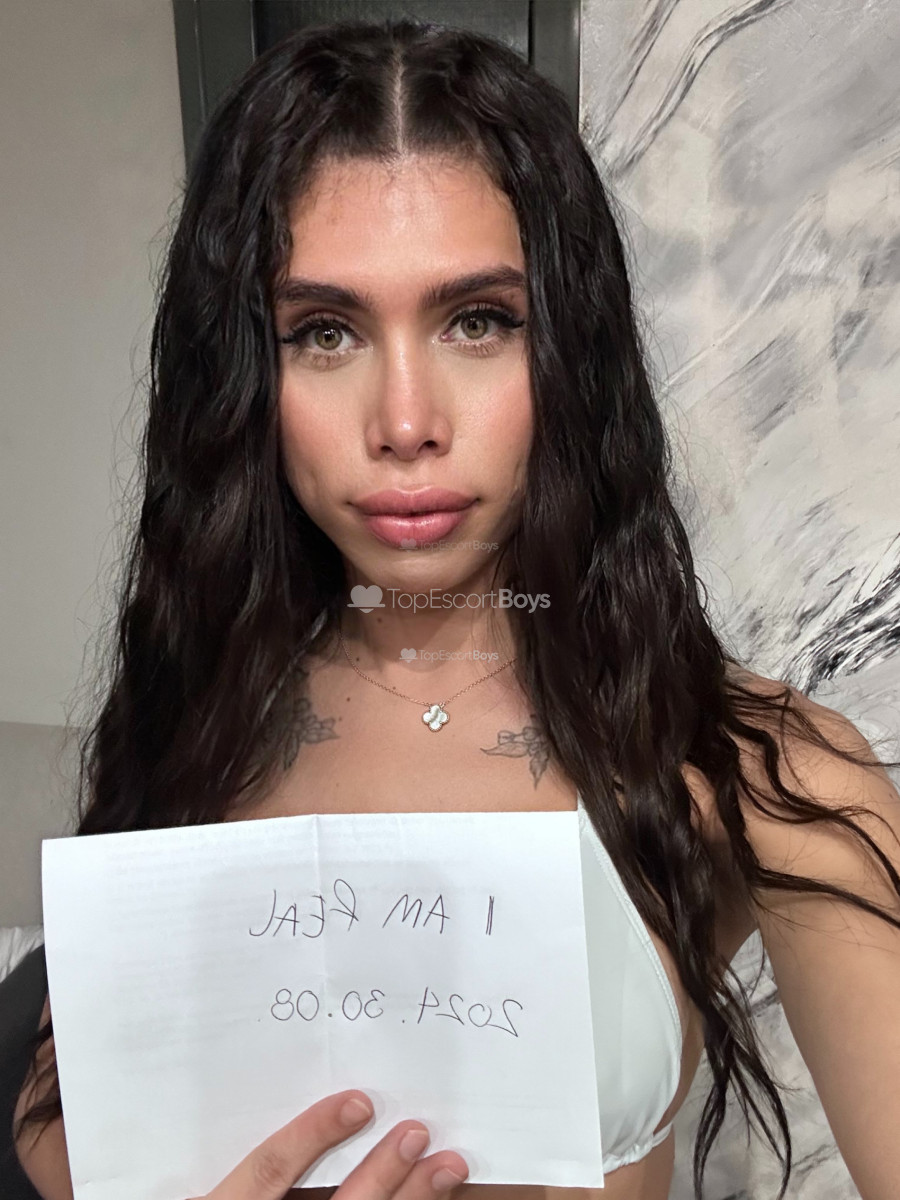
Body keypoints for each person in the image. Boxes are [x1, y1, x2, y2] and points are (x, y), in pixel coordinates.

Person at [12, 15, 900, 1200]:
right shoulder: (195, 719)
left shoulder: (756, 771)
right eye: (324, 332)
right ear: (246, 378)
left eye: (478, 320)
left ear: (571, 351)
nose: (406, 421)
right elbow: (62, 1123)